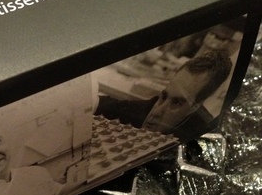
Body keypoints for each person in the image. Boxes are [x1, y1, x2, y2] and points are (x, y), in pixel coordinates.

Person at [94, 50, 233, 140]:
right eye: (164, 96)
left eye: (176, 103)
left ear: (195, 107)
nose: (157, 112)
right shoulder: (149, 108)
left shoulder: (202, 139)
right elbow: (103, 104)